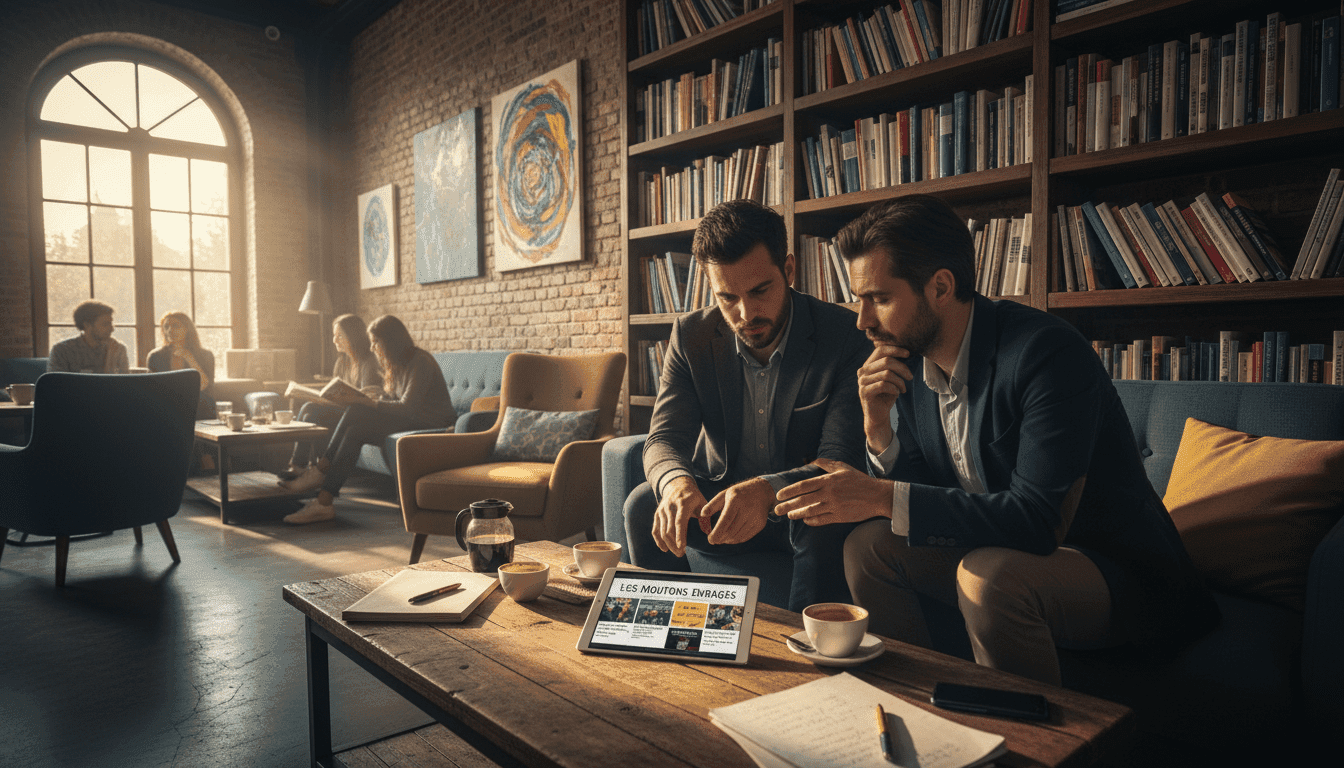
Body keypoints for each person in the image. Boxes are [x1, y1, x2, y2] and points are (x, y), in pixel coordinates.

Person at [774, 195, 1219, 685]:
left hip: (1108, 566)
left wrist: (879, 495)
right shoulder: (909, 362)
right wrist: (877, 428)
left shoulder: (1045, 353)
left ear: (940, 286)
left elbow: (1038, 522)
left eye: (878, 298)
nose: (862, 321)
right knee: (868, 546)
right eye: (858, 300)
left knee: (989, 578)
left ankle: (1022, 738)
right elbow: (921, 497)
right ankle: (918, 702)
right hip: (997, 549)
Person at [623, 199, 871, 611]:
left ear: (789, 271)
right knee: (643, 504)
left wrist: (769, 492)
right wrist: (677, 485)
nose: (746, 313)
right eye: (727, 298)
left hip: (801, 503)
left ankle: (806, 659)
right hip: (721, 503)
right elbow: (664, 437)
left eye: (760, 291)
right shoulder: (692, 336)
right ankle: (668, 639)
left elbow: (840, 459)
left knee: (821, 519)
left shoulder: (843, 333)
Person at [280, 315, 456, 524]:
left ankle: (320, 472)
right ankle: (324, 502)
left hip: (431, 424)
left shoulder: (420, 362)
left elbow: (409, 408)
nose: (372, 348)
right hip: (411, 419)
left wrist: (366, 403)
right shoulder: (395, 363)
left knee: (357, 410)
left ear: (391, 341)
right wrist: (376, 396)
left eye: (375, 342)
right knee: (355, 429)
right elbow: (396, 400)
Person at [281, 314, 382, 479]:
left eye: (339, 335)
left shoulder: (369, 362)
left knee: (313, 411)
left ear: (353, 336)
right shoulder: (342, 362)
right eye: (334, 335)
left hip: (356, 414)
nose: (335, 340)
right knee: (309, 408)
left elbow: (367, 398)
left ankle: (304, 466)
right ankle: (305, 466)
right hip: (341, 410)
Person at [147, 312, 216, 419]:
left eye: (176, 326)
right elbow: (154, 391)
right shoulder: (155, 356)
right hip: (166, 409)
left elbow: (204, 387)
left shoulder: (206, 355)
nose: (170, 330)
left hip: (199, 408)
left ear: (187, 329)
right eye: (166, 326)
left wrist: (190, 358)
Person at [47, 300, 129, 374]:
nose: (112, 329)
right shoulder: (62, 351)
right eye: (105, 324)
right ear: (87, 325)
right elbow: (56, 385)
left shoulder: (118, 349)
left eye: (111, 323)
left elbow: (124, 384)